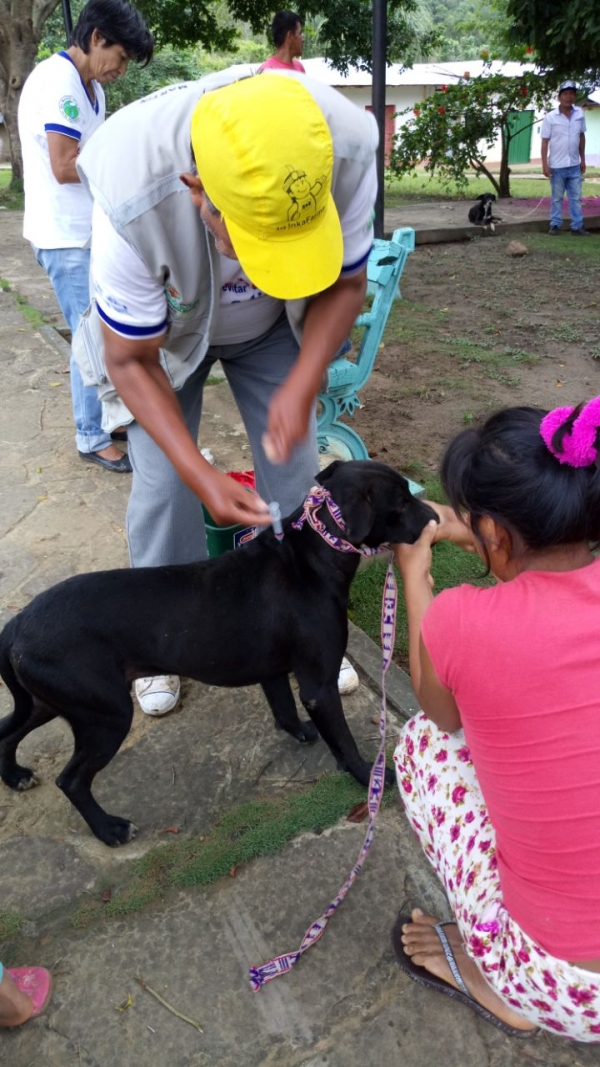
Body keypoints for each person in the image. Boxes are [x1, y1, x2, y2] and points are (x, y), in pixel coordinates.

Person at [72, 68, 378, 713]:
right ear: (198, 192)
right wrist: (201, 476)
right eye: (254, 243)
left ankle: (309, 634)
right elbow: (129, 358)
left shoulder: (345, 145)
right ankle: (161, 645)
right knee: (163, 487)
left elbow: (347, 284)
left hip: (270, 330)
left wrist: (301, 382)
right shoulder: (135, 193)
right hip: (167, 339)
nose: (263, 264)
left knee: (294, 473)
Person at [391, 398, 600, 1041]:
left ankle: (496, 982)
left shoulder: (464, 620)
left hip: (571, 986)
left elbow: (438, 707)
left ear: (498, 536)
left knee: (425, 743)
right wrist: (473, 524)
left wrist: (414, 575)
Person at [18, 0, 154, 472]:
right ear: (96, 37)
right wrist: (125, 170)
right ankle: (91, 435)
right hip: (64, 236)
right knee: (89, 335)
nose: (121, 69)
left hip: (83, 233)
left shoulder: (90, 86)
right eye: (119, 57)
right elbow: (63, 165)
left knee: (101, 329)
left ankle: (103, 420)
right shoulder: (60, 84)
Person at [541, 80, 589, 236]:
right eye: (566, 94)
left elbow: (581, 137)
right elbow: (545, 142)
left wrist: (583, 159)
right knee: (556, 198)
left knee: (576, 198)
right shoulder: (550, 117)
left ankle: (577, 226)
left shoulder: (580, 114)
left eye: (572, 94)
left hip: (574, 164)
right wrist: (545, 165)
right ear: (559, 97)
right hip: (557, 165)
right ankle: (555, 225)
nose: (569, 97)